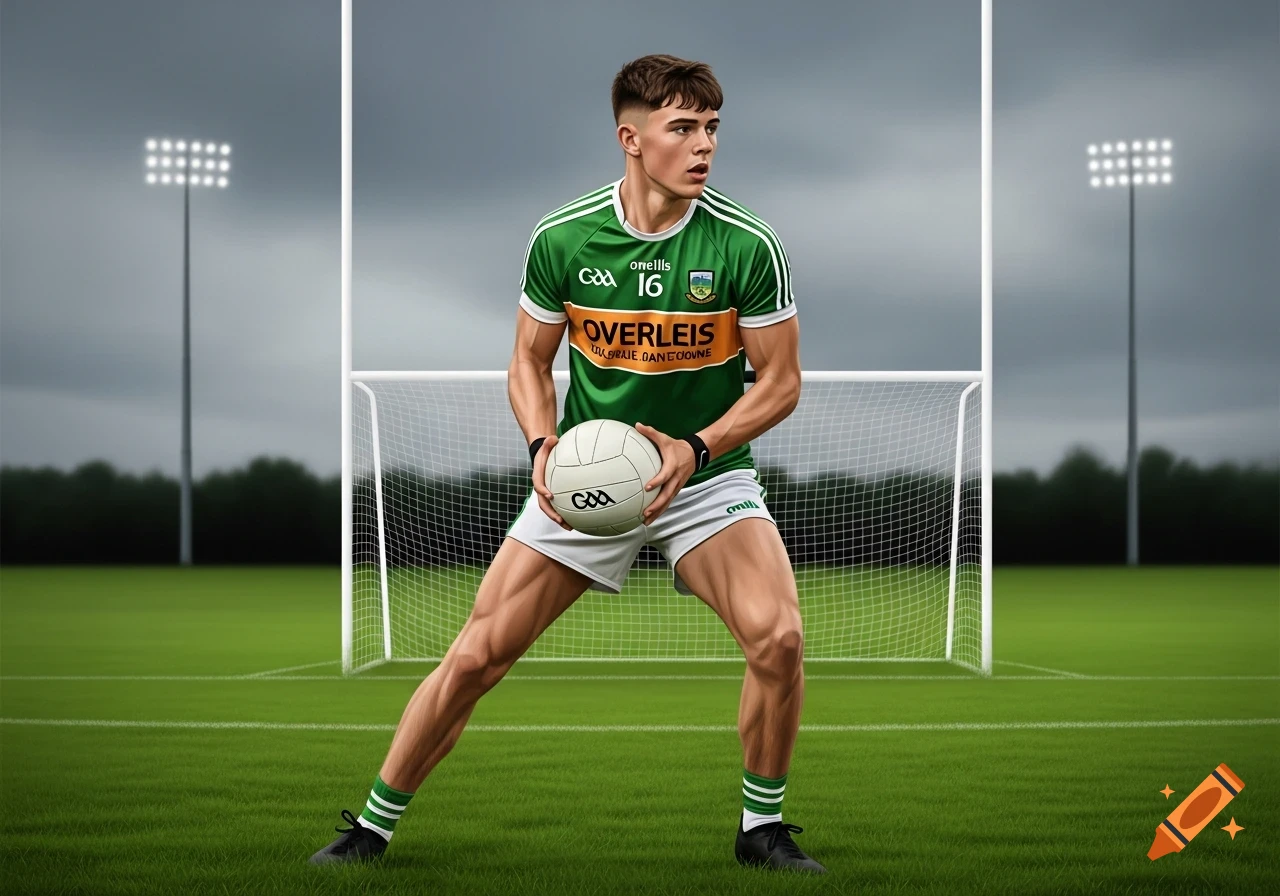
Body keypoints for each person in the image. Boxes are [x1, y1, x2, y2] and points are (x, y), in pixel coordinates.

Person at [312, 53, 823, 874]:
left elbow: (783, 384)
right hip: (589, 476)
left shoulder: (747, 245)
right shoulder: (562, 237)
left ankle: (761, 829)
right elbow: (526, 360)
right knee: (477, 654)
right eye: (682, 128)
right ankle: (369, 828)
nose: (704, 147)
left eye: (712, 129)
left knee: (780, 638)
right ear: (631, 137)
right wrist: (544, 449)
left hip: (706, 476)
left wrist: (694, 449)